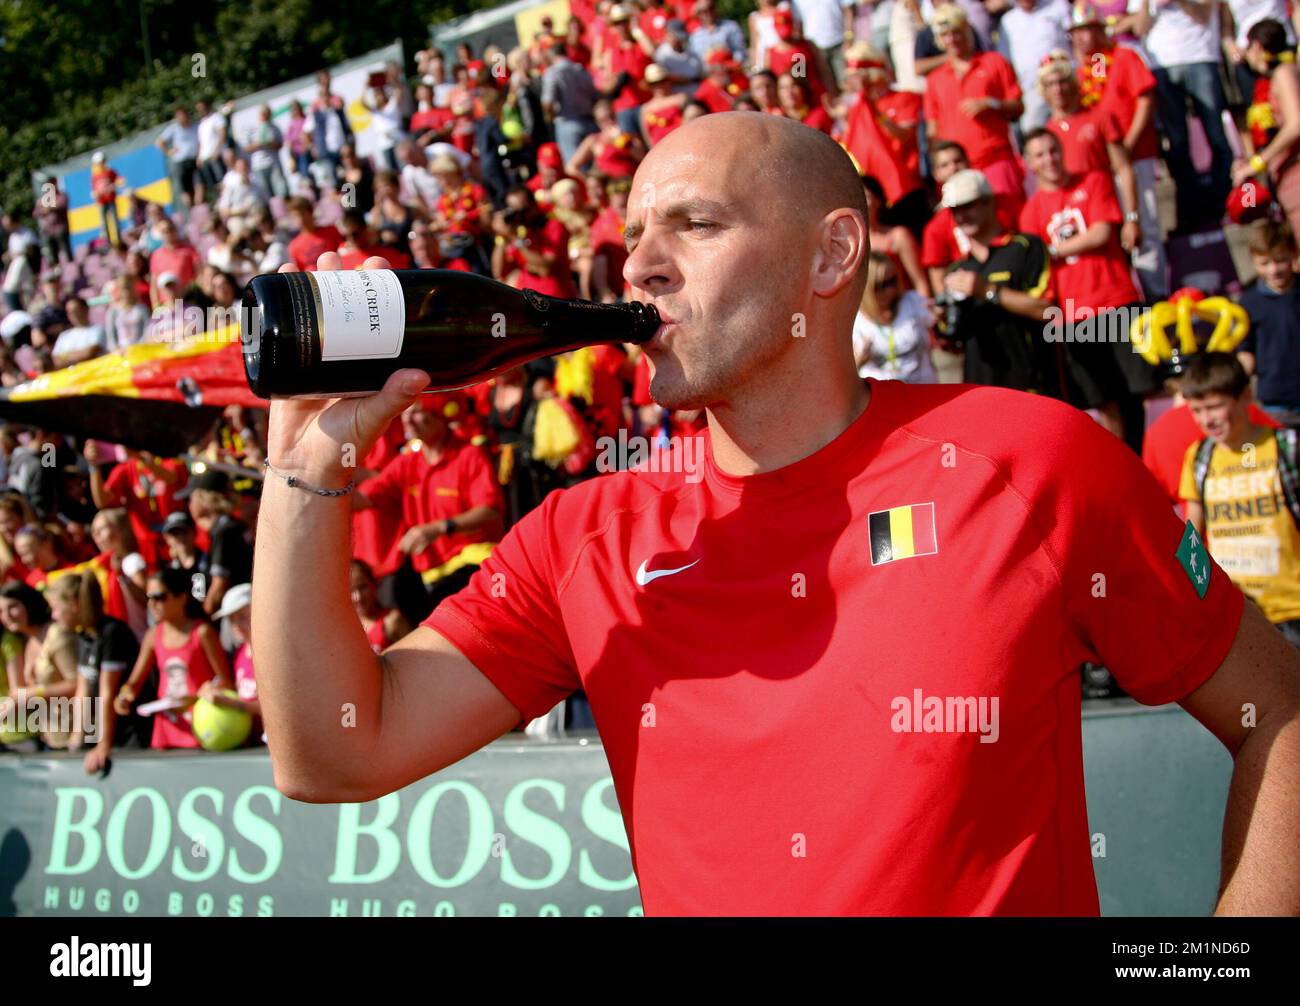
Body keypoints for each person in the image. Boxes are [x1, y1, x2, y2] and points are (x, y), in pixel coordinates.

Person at [253, 111, 1300, 916]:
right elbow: (332, 753)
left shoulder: (1030, 459)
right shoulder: (585, 538)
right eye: (632, 237)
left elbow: (1279, 717)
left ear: (833, 257)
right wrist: (303, 477)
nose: (641, 265)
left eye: (694, 225)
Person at [1019, 127, 1151, 444]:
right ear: (1029, 163)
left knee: (1138, 390)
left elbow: (1101, 233)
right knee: (1103, 398)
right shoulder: (1030, 211)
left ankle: (1147, 465)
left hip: (1116, 298)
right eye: (1040, 154)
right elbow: (1039, 270)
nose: (1049, 159)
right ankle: (1122, 468)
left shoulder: (1094, 181)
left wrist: (1051, 251)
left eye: (1053, 150)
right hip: (1074, 315)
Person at [1179, 352, 1300, 646]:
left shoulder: (1287, 446)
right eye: (1196, 410)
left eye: (1215, 407)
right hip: (1237, 614)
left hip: (1292, 608)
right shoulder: (1199, 457)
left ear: (1246, 395)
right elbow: (1191, 536)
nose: (1206, 420)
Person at [350, 391, 504, 621]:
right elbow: (363, 498)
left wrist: (439, 528)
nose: (407, 420)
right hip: (431, 576)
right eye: (404, 413)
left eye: (417, 412)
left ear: (440, 414)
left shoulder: (470, 455)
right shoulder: (407, 463)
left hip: (474, 565)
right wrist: (326, 481)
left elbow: (491, 511)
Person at [1068, 1, 1168, 302]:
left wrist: (1128, 142)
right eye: (1077, 33)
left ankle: (1157, 297)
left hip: (1136, 156)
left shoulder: (1125, 57)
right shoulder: (1085, 71)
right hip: (1105, 166)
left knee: (1144, 227)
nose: (1083, 38)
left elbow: (1145, 101)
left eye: (1088, 30)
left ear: (1101, 30)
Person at [939, 168, 1061, 394]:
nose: (962, 216)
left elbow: (1049, 311)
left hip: (1031, 382)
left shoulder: (1025, 247)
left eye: (968, 205)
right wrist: (941, 320)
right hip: (981, 391)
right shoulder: (957, 270)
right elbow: (954, 344)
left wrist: (986, 290)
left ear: (988, 202)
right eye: (955, 210)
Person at [114, 567, 231, 750]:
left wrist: (193, 700)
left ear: (182, 597)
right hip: (166, 732)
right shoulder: (153, 636)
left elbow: (226, 682)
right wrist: (124, 696)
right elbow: (133, 684)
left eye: (159, 597)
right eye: (149, 597)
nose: (152, 604)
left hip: (202, 727)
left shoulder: (202, 633)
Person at [1143, 0, 1234, 231]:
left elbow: (1205, 14)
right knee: (1177, 144)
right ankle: (1191, 210)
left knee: (1217, 136)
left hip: (1200, 56)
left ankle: (1225, 202)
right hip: (1161, 63)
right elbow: (1140, 27)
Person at [923, 5, 1026, 203]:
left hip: (996, 160)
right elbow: (932, 130)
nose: (952, 39)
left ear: (967, 31)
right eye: (945, 35)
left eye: (956, 32)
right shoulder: (934, 79)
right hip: (958, 170)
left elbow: (1018, 107)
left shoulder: (994, 62)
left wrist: (992, 104)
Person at [69, 571, 146, 773]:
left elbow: (107, 693)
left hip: (130, 734)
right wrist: (76, 740)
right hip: (105, 735)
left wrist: (103, 744)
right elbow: (83, 692)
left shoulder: (112, 632)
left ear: (74, 605)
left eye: (56, 607)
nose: (53, 614)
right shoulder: (85, 635)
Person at [1231, 18, 1300, 239]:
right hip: (1284, 175)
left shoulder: (1284, 73)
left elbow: (1296, 123)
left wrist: (1258, 163)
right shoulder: (1268, 80)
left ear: (1257, 47)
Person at [1238, 219, 1300, 427]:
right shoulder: (1249, 301)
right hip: (1276, 402)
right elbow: (1246, 353)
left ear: (1293, 254)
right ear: (1254, 262)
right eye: (1264, 263)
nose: (1273, 270)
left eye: (1280, 260)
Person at [0, 581, 77, 749]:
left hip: (76, 735)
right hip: (50, 737)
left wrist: (32, 693)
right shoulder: (27, 640)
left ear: (29, 603)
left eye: (12, 607)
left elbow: (78, 684)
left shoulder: (56, 635)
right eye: (1, 611)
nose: (7, 616)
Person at [853, 250, 937, 382]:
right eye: (881, 285)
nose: (890, 290)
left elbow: (941, 325)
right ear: (866, 287)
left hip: (923, 390)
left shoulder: (912, 302)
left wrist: (942, 316)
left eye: (893, 281)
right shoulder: (854, 321)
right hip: (883, 397)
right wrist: (858, 361)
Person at [200, 581, 262, 742]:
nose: (236, 625)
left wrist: (231, 704)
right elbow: (243, 694)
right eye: (231, 619)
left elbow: (279, 709)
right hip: (246, 740)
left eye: (242, 616)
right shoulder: (240, 653)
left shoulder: (271, 655)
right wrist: (213, 690)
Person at [351, 559, 413, 655]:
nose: (358, 597)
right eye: (351, 590)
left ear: (374, 585)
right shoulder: (346, 630)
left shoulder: (392, 621)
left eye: (363, 587)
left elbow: (415, 656)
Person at [89, 152, 123, 251]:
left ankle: (119, 242)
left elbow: (119, 180)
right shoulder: (95, 175)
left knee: (115, 221)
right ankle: (108, 243)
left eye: (102, 161)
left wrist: (115, 185)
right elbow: (94, 190)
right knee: (104, 224)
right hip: (102, 203)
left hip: (111, 200)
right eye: (99, 162)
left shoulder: (110, 171)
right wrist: (95, 195)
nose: (101, 163)